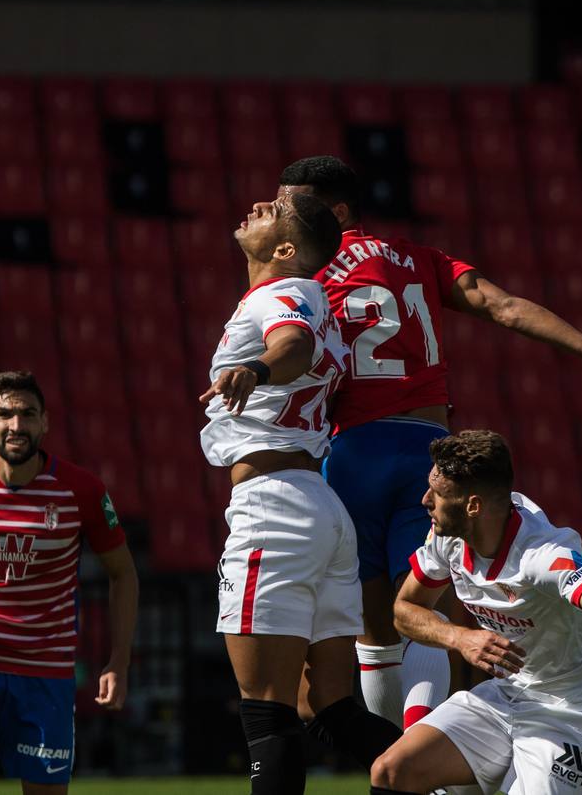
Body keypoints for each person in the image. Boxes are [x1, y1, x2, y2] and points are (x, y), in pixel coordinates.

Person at [280, 155, 582, 735]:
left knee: (380, 625)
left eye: (291, 206)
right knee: (422, 607)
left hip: (353, 453)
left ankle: (395, 766)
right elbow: (502, 306)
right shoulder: (423, 261)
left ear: (336, 211)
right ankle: (423, 755)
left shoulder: (304, 276)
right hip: (428, 454)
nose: (282, 218)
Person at [200, 190, 401, 794]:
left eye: (272, 213)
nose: (258, 203)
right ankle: (443, 784)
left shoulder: (284, 294)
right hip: (317, 504)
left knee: (267, 711)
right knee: (336, 708)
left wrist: (255, 369)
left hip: (273, 506)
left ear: (285, 249)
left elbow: (293, 346)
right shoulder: (314, 303)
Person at [369, 431, 582, 794]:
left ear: (473, 505)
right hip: (506, 695)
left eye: (438, 493)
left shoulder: (543, 556)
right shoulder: (447, 536)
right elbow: (404, 610)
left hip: (570, 714)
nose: (425, 501)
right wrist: (460, 637)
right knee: (391, 770)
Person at [0, 370, 139, 795]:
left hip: (46, 673)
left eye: (27, 414)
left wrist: (118, 661)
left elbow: (123, 572)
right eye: (5, 414)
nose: (16, 425)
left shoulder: (81, 490)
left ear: (45, 422)